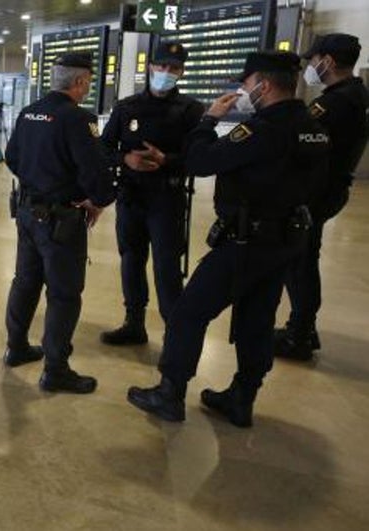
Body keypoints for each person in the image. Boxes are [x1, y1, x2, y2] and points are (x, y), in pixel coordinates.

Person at [126, 52, 330, 427]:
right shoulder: (311, 125)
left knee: (188, 312)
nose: (245, 89)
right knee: (257, 318)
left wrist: (208, 121)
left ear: (263, 85)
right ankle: (242, 396)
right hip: (286, 239)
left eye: (248, 83)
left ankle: (170, 392)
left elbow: (201, 161)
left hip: (246, 241)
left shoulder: (263, 129)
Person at [2, 52, 116, 394]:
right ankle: (56, 369)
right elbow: (95, 172)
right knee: (64, 294)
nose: (87, 89)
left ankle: (17, 347)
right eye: (88, 83)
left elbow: (12, 158)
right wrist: (94, 198)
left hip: (27, 212)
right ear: (80, 82)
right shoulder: (78, 119)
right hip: (61, 220)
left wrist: (38, 184)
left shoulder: (28, 112)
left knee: (25, 281)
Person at [100, 42, 204, 347]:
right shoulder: (127, 107)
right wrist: (125, 160)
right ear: (150, 67)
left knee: (166, 266)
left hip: (167, 198)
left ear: (182, 72)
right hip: (131, 196)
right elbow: (103, 148)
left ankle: (174, 333)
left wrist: (167, 160)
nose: (165, 72)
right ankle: (134, 323)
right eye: (161, 66)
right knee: (131, 260)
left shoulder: (191, 110)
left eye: (173, 68)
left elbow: (199, 157)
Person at [274, 34, 369, 361]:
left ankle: (299, 334)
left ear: (327, 61)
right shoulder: (353, 95)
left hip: (314, 195)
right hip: (328, 190)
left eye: (314, 60)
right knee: (303, 260)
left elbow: (295, 136)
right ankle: (303, 328)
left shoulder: (335, 102)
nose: (311, 66)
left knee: (299, 264)